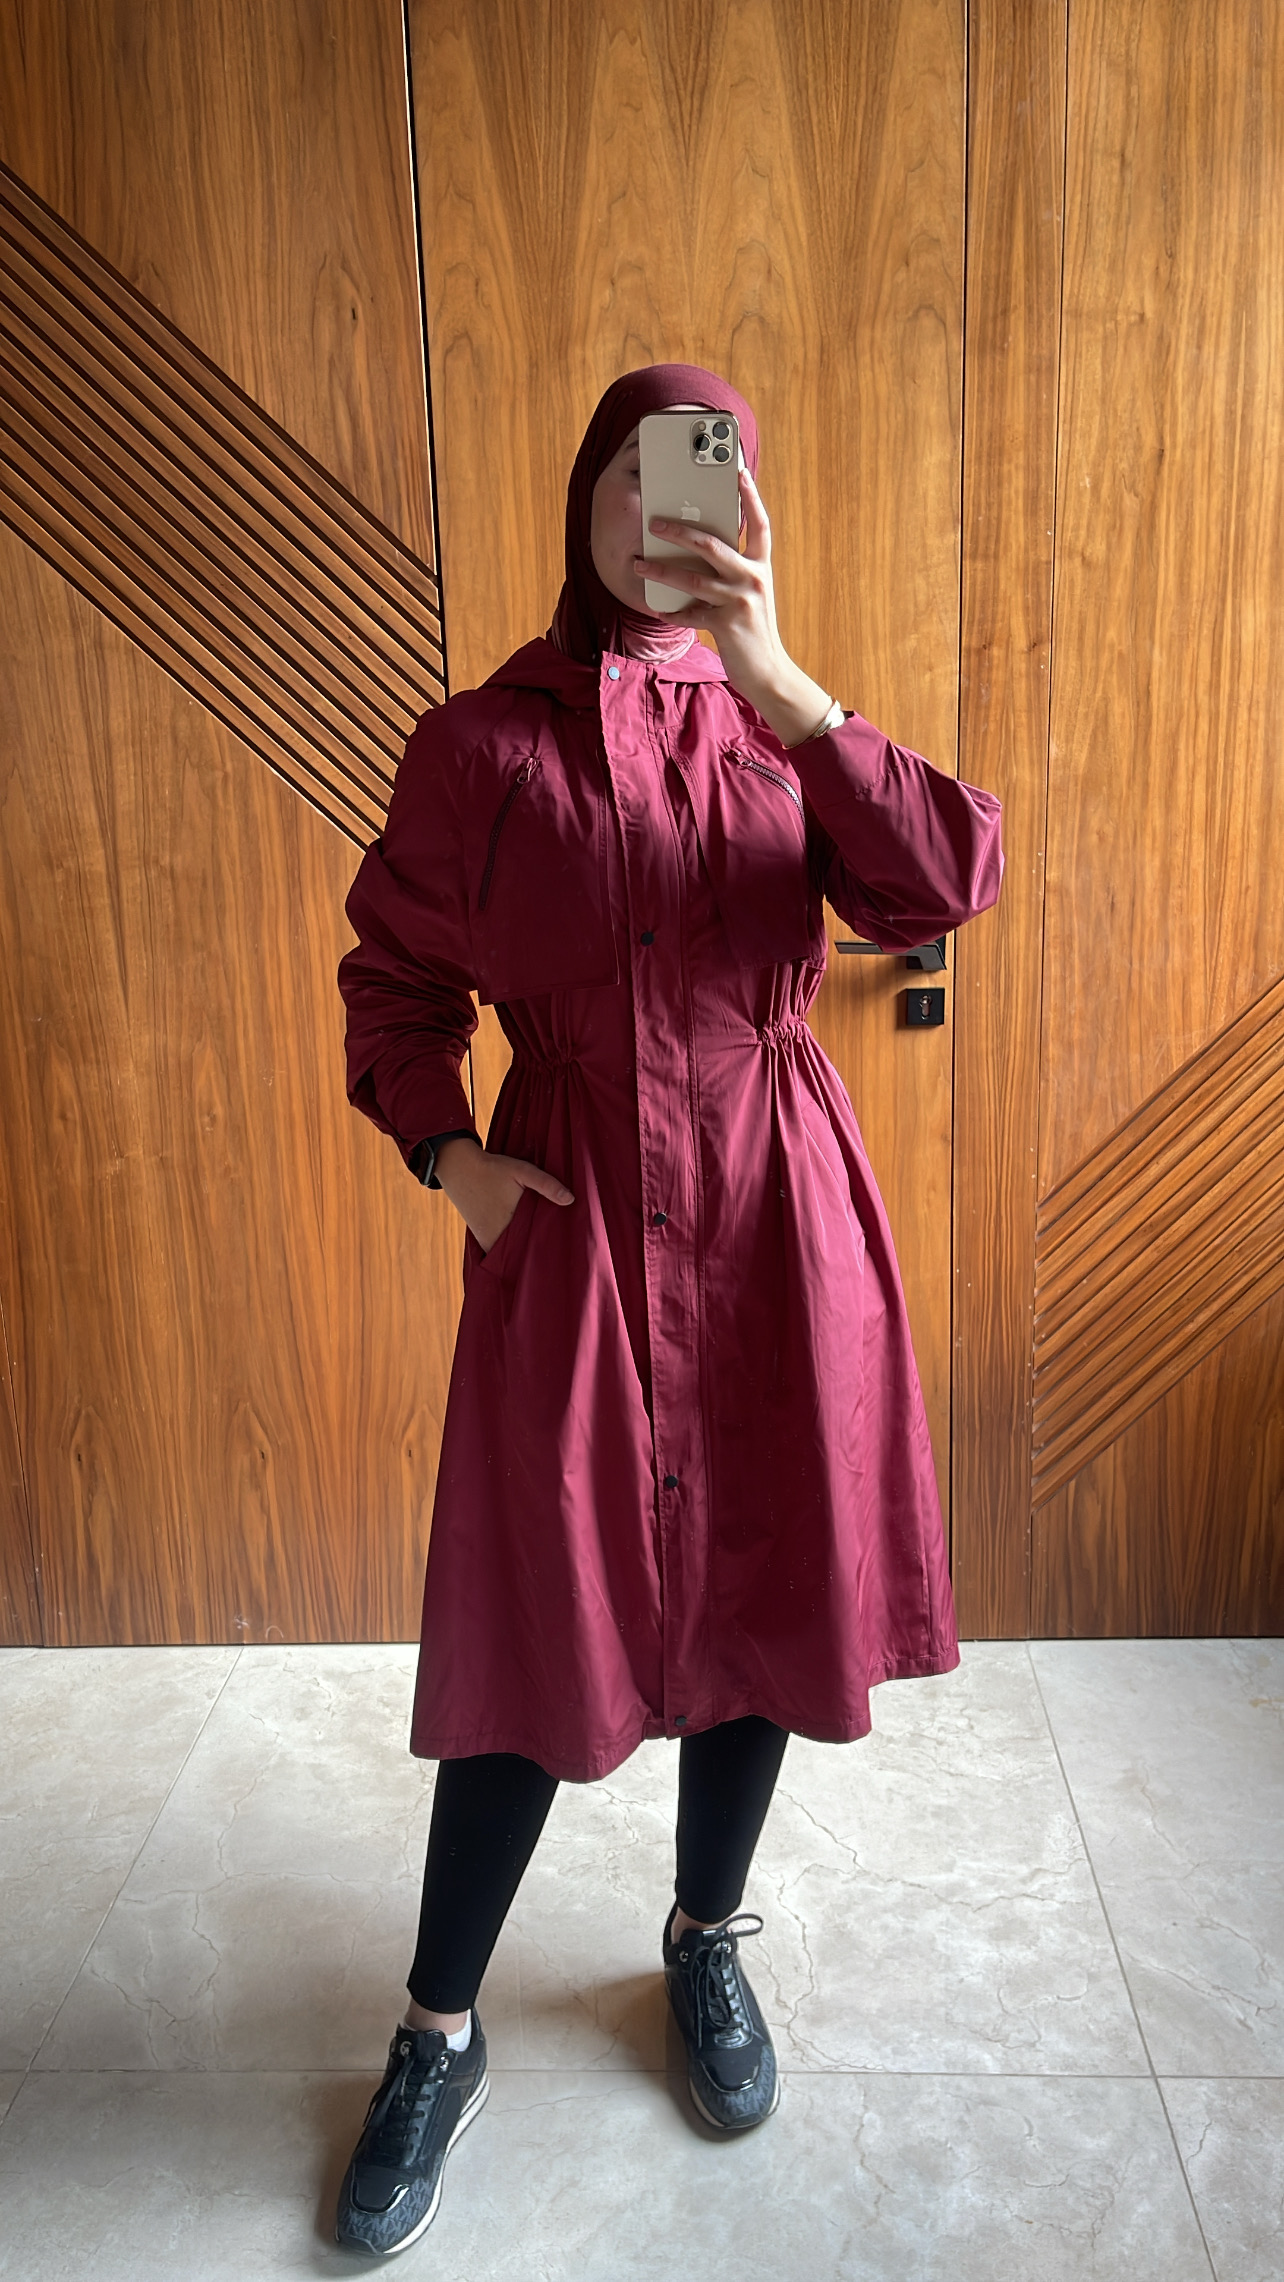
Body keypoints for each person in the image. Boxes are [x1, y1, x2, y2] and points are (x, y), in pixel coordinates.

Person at [333, 362, 1003, 2254]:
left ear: (744, 505)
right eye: (626, 476)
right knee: (533, 1621)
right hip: (578, 1238)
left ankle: (707, 1933)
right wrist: (449, 1155)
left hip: (777, 1223)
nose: (656, 512)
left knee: (763, 1593)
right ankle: (438, 2027)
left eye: (693, 475)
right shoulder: (481, 746)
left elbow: (944, 880)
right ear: (582, 499)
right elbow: (393, 979)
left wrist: (779, 677)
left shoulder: (785, 730)